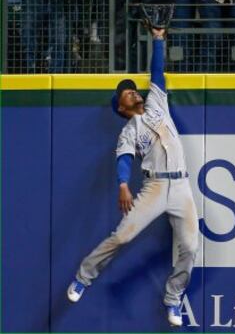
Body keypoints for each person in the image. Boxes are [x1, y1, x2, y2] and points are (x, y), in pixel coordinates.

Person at [67, 27, 199, 328]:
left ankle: (173, 298)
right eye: (126, 92)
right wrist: (124, 184)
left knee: (190, 247)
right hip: (154, 186)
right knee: (122, 235)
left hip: (181, 186)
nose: (131, 90)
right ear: (121, 106)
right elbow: (124, 160)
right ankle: (82, 277)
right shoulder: (129, 130)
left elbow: (157, 72)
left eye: (131, 88)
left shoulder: (156, 103)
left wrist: (158, 39)